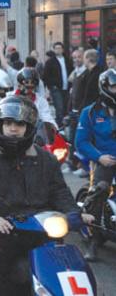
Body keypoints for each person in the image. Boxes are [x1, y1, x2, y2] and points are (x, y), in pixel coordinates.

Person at [0, 95, 93, 295]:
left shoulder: (46, 160)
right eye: (8, 123)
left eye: (20, 124)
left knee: (68, 269)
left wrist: (74, 213)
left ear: (30, 128)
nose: (13, 129)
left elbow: (60, 191)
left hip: (39, 232)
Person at [75, 69, 116, 260]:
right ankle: (93, 242)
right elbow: (81, 141)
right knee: (100, 189)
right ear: (105, 87)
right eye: (114, 86)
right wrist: (100, 157)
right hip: (105, 161)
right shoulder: (90, 112)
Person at [7, 67, 57, 132]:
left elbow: (47, 117)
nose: (29, 85)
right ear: (19, 84)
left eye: (32, 83)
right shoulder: (9, 97)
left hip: (33, 132)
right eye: (26, 82)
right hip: (12, 130)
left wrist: (53, 127)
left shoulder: (41, 101)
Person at [44, 42, 73, 126]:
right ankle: (59, 127)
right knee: (59, 108)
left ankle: (65, 126)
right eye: (56, 48)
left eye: (59, 48)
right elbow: (46, 75)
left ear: (62, 49)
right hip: (56, 88)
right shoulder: (50, 62)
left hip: (66, 88)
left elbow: (72, 71)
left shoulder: (67, 60)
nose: (58, 50)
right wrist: (50, 87)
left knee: (66, 108)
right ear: (54, 49)